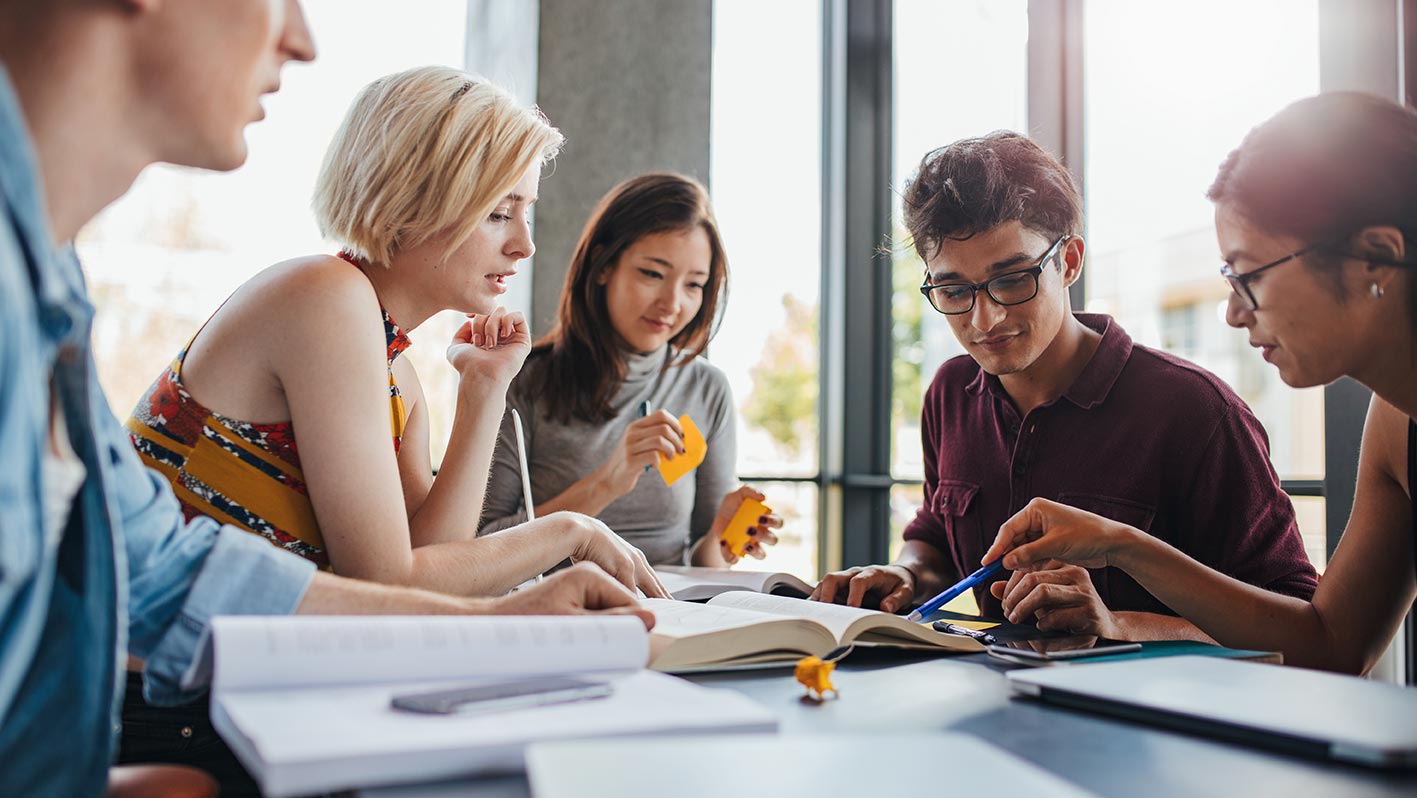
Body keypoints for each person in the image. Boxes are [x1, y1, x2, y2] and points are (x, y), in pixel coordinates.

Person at [0, 3, 651, 796]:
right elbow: (390, 578)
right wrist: (566, 534)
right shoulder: (326, 297)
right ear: (417, 199)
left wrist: (482, 392)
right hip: (170, 703)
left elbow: (417, 565)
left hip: (191, 692)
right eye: (499, 212)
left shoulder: (392, 359)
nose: (524, 245)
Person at [811, 132, 1317, 641]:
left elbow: (1296, 624)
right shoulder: (950, 392)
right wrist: (907, 574)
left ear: (1069, 261)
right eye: (953, 290)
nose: (985, 319)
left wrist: (1120, 625)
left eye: (1012, 279)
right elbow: (936, 536)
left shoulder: (1196, 412)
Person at [985, 92, 1416, 675]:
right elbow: (1333, 646)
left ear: (1374, 257)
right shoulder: (1395, 422)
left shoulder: (1201, 407)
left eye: (1250, 276)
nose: (1235, 314)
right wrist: (1120, 543)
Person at [479, 173, 782, 566]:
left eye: (694, 285)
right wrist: (607, 482)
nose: (671, 303)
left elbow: (706, 568)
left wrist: (721, 539)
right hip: (560, 612)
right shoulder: (524, 380)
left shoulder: (707, 387)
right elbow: (479, 547)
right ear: (603, 266)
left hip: (673, 615)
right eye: (653, 274)